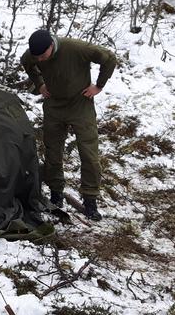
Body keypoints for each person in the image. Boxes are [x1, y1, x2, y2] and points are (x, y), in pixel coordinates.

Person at [21, 29, 117, 220]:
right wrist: (39, 84)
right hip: (54, 105)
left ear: (51, 46)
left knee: (88, 153)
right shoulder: (33, 55)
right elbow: (27, 63)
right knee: (53, 151)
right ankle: (56, 194)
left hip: (80, 104)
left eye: (43, 55)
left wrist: (99, 86)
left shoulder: (76, 48)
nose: (40, 60)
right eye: (36, 57)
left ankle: (90, 200)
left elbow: (109, 58)